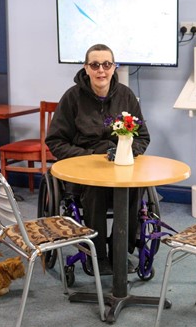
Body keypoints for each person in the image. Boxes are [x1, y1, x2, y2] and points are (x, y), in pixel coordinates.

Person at [46, 44, 150, 275]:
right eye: (95, 65)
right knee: (95, 191)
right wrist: (89, 156)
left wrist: (126, 152)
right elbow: (55, 141)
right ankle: (98, 254)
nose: (101, 70)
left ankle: (121, 249)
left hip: (118, 166)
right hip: (85, 169)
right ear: (86, 68)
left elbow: (142, 136)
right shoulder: (72, 98)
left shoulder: (126, 96)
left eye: (106, 64)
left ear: (114, 67)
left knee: (136, 188)